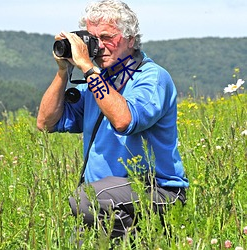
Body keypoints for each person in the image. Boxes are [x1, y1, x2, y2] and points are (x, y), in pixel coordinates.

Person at [37, 0, 189, 244]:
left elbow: (124, 120)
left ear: (130, 39)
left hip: (157, 192)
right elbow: (46, 123)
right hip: (107, 199)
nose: (99, 47)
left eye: (107, 37)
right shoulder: (97, 83)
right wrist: (63, 70)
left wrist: (87, 67)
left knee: (85, 200)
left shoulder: (151, 77)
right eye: (92, 39)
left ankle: (143, 241)